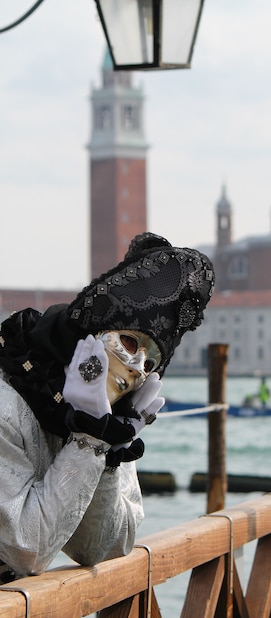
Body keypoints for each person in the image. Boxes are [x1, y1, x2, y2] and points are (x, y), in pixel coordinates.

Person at [0, 232, 215, 582]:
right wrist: (87, 438)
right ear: (93, 329)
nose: (135, 369)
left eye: (150, 364)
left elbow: (104, 547)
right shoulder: (6, 400)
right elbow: (26, 548)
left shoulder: (105, 415)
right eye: (130, 343)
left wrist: (105, 449)